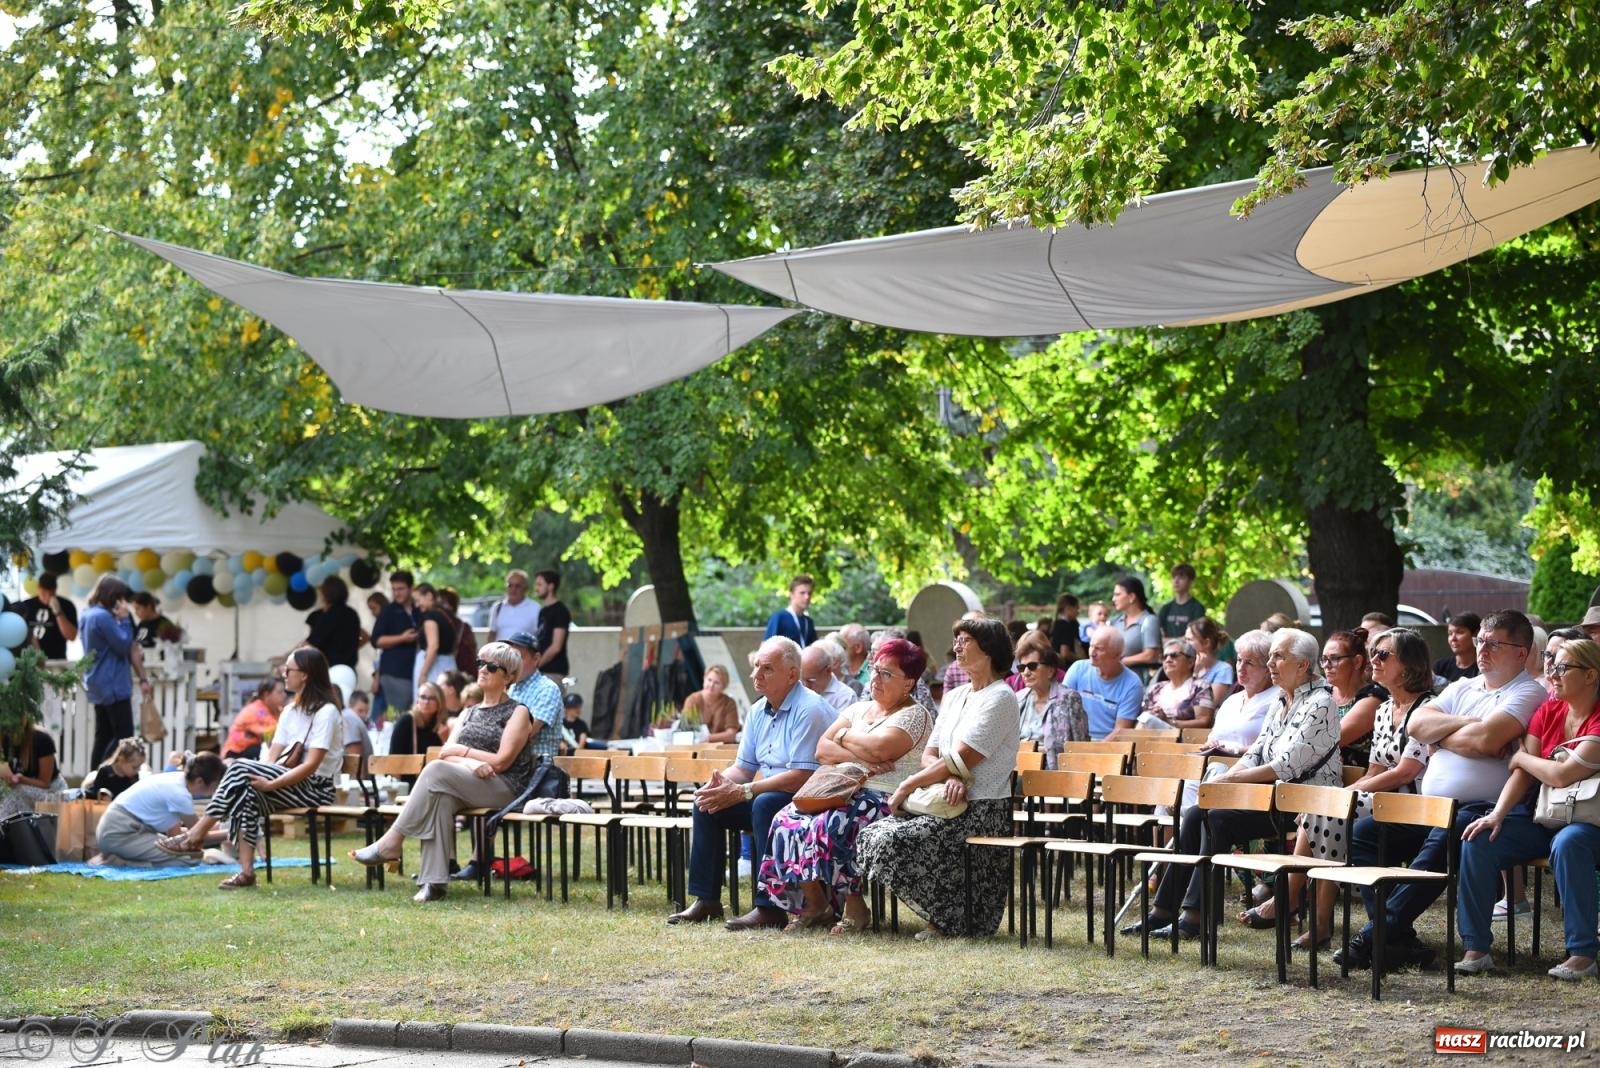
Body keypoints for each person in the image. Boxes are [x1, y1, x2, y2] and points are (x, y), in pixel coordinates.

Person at [1335, 609, 1547, 971]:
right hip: (1429, 806)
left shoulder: (1529, 692)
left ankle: (1374, 936)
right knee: (1363, 835)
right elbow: (1418, 724)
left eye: (1494, 644)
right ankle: (1396, 938)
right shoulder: (1463, 687)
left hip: (1481, 807)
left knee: (1445, 837)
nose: (1482, 649)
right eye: (1481, 640)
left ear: (1521, 653)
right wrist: (1472, 726)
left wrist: (1445, 737)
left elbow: (1487, 740)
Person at [1128, 627, 1342, 940]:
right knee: (1196, 812)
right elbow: (1256, 752)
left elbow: (1285, 766)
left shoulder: (1322, 703)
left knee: (1216, 819)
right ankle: (1164, 911)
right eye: (1269, 656)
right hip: (1269, 799)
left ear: (1302, 665)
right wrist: (1222, 784)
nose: (1270, 663)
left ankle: (1194, 917)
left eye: (1278, 656)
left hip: (1303, 805)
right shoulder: (1282, 700)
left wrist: (1228, 780)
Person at [1241, 627, 1435, 945]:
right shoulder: (1385, 709)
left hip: (1412, 804)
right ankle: (1313, 919)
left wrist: (1346, 795)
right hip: (1381, 802)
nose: (1375, 659)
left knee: (1325, 807)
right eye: (1374, 653)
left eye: (1383, 655)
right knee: (1323, 808)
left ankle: (1303, 910)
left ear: (1410, 663)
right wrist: (1344, 795)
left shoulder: (1427, 708)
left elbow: (1404, 773)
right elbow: (1374, 768)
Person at [857, 617, 1021, 939]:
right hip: (946, 800)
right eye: (956, 638)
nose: (956, 646)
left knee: (893, 840)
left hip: (981, 810)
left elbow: (961, 757)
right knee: (872, 834)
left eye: (965, 640)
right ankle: (944, 915)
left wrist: (908, 784)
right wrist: (951, 775)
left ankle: (951, 920)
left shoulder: (1001, 697)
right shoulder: (956, 695)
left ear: (988, 649)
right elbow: (930, 754)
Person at [761, 638, 935, 933]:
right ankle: (816, 904)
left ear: (909, 683)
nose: (875, 679)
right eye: (874, 670)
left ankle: (855, 907)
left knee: (836, 822)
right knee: (785, 819)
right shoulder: (859, 708)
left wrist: (843, 737)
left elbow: (882, 749)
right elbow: (821, 749)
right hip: (839, 788)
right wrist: (854, 746)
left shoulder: (915, 715)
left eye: (886, 674)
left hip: (885, 797)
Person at [1454, 638, 1600, 979]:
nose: (1552, 673)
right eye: (1551, 665)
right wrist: (1497, 814)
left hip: (1590, 821)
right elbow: (1521, 773)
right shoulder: (1548, 710)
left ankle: (1583, 954)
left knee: (1568, 843)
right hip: (1545, 813)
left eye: (1563, 667)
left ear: (1591, 675)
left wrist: (1521, 755)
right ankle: (1476, 948)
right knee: (1480, 838)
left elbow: (1562, 775)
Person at [666, 637, 832, 930]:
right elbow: (744, 768)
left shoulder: (809, 708)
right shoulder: (758, 711)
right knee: (707, 804)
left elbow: (803, 776)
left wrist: (744, 790)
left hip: (814, 799)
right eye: (756, 667)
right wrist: (716, 786)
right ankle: (707, 900)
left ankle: (769, 907)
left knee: (764, 804)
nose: (756, 675)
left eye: (766, 668)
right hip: (772, 794)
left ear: (792, 674)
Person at [350, 642, 535, 902]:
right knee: (440, 797)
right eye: (480, 663)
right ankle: (434, 883)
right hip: (470, 780)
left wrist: (463, 751)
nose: (482, 669)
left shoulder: (518, 711)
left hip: (505, 786)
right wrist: (469, 763)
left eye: (492, 667)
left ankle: (392, 841)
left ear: (509, 676)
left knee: (435, 770)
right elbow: (446, 752)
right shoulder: (468, 712)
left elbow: (502, 762)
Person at [155, 646, 344, 889]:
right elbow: (273, 758)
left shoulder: (326, 713)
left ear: (305, 675)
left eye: (288, 669)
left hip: (316, 787)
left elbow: (311, 766)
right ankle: (246, 872)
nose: (283, 673)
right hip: (290, 781)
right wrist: (256, 778)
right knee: (245, 790)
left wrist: (270, 783)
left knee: (240, 766)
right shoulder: (290, 711)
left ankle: (196, 835)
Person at [95, 753, 224, 867]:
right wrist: (232, 833)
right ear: (200, 781)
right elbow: (198, 835)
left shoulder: (176, 780)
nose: (213, 792)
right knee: (189, 859)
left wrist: (219, 827)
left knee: (189, 854)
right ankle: (120, 861)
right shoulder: (180, 795)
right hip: (120, 833)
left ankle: (123, 857)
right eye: (214, 786)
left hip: (118, 828)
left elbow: (175, 834)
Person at [79, 575, 152, 767]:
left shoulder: (87, 614)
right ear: (112, 596)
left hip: (96, 681)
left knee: (103, 734)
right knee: (122, 734)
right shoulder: (103, 617)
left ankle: (94, 775)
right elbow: (122, 645)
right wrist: (126, 619)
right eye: (120, 598)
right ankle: (107, 771)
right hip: (113, 683)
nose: (122, 602)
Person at [1062, 628, 1144, 738]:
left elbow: (1120, 731)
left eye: (1099, 649)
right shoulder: (1078, 668)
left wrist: (1094, 751)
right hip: (1073, 741)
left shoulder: (1132, 684)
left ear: (1116, 654)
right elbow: (1061, 708)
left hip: (1108, 747)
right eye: (1091, 646)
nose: (1092, 652)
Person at [1016, 643, 1086, 767]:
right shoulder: (1018, 699)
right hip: (1020, 770)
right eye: (1021, 667)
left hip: (1057, 773)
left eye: (1032, 666)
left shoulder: (1069, 698)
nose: (1026, 673)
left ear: (1050, 670)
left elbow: (1080, 745)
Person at [1322, 629, 1383, 768]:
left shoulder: (1373, 698)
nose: (1326, 665)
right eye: (1324, 659)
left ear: (1357, 661)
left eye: (1335, 658)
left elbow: (1327, 742)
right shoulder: (1322, 693)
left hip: (1362, 782)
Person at [1133, 638, 1217, 731]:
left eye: (1174, 655)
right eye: (1164, 657)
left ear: (1190, 662)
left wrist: (1169, 722)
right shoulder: (1156, 688)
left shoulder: (1200, 687)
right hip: (1152, 738)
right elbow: (1144, 719)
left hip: (1184, 742)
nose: (1168, 660)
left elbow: (1204, 722)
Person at [0, 712, 66, 821]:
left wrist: (21, 779)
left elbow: (45, 783)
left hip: (52, 792)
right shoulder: (5, 739)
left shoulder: (41, 739)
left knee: (16, 793)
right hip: (22, 789)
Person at [369, 571, 419, 713]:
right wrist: (402, 638)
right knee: (398, 716)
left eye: (401, 589)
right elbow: (376, 640)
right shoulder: (388, 611)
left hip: (415, 671)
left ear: (411, 588)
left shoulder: (418, 609)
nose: (397, 593)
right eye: (394, 589)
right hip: (395, 672)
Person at [4, 571, 77, 660]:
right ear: (38, 588)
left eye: (50, 593)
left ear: (55, 590)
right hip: (30, 661)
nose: (47, 596)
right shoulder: (26, 605)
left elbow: (71, 636)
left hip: (56, 659)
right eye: (44, 592)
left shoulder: (66, 605)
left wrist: (58, 612)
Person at [388, 680, 449, 785]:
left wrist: (445, 741)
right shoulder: (406, 722)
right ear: (417, 701)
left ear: (440, 703)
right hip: (407, 784)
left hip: (432, 783)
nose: (426, 702)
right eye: (423, 697)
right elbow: (393, 761)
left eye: (431, 698)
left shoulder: (441, 727)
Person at [304, 575, 362, 670]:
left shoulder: (330, 615)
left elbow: (310, 643)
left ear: (325, 594)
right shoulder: (352, 613)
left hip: (331, 668)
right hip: (349, 667)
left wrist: (288, 657)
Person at [1110, 576, 1161, 681]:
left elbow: (1151, 655)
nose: (1113, 599)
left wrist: (1122, 661)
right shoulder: (1115, 621)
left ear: (1132, 597)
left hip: (1139, 681)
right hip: (1115, 679)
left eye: (1117, 594)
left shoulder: (1149, 621)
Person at [411, 582, 458, 695]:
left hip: (434, 669)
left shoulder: (430, 617)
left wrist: (423, 674)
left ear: (429, 596)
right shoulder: (446, 614)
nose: (417, 605)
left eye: (418, 600)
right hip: (448, 664)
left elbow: (433, 647)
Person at [222, 678, 285, 762]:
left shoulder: (276, 709)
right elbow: (273, 732)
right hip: (238, 752)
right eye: (280, 692)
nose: (284, 695)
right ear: (267, 695)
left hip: (251, 749)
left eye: (284, 692)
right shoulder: (257, 710)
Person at [681, 664, 741, 743]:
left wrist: (707, 738)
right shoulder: (692, 700)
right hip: (696, 748)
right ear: (704, 679)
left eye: (716, 683)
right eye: (709, 680)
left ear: (723, 686)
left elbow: (731, 734)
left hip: (722, 749)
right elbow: (684, 728)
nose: (711, 685)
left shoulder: (729, 703)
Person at [529, 569, 571, 679]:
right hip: (540, 672)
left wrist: (536, 665)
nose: (536, 588)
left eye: (539, 584)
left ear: (551, 586)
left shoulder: (560, 610)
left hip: (554, 672)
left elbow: (556, 646)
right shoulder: (543, 611)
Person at [1186, 617, 1235, 708]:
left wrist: (1195, 674)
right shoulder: (1187, 666)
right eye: (1186, 639)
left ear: (1206, 643)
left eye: (1190, 640)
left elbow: (1209, 705)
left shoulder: (1223, 669)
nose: (1185, 644)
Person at [763, 574, 817, 648]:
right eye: (802, 593)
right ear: (792, 594)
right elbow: (765, 649)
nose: (807, 597)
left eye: (809, 593)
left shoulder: (809, 621)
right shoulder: (779, 618)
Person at [487, 569, 540, 643]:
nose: (513, 589)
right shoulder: (497, 608)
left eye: (517, 586)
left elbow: (539, 637)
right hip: (500, 653)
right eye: (510, 585)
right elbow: (492, 634)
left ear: (526, 589)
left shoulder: (536, 609)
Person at [802, 643, 857, 713]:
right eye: (802, 679)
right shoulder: (797, 689)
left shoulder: (846, 697)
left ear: (828, 670)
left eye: (811, 680)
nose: (806, 686)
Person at [438, 587, 477, 686]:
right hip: (459, 672)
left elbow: (471, 652)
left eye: (442, 603)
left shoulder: (462, 627)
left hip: (459, 671)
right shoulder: (463, 626)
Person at [1157, 563, 1206, 639]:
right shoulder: (1166, 608)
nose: (1176, 581)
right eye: (1174, 577)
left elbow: (1195, 636)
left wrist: (1172, 642)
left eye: (1181, 578)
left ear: (1191, 582)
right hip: (1167, 649)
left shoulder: (1197, 608)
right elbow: (1159, 633)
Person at [1435, 612, 1481, 685]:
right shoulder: (1440, 666)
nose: (1453, 638)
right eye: (1450, 633)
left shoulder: (1482, 669)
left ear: (1476, 634)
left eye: (1460, 632)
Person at [1048, 593, 1087, 666]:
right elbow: (1065, 653)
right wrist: (1083, 661)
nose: (1078, 612)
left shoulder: (1055, 624)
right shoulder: (1066, 626)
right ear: (1068, 608)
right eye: (1076, 608)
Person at [837, 624, 873, 691]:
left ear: (858, 648)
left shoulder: (873, 671)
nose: (838, 649)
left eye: (843, 646)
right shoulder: (837, 668)